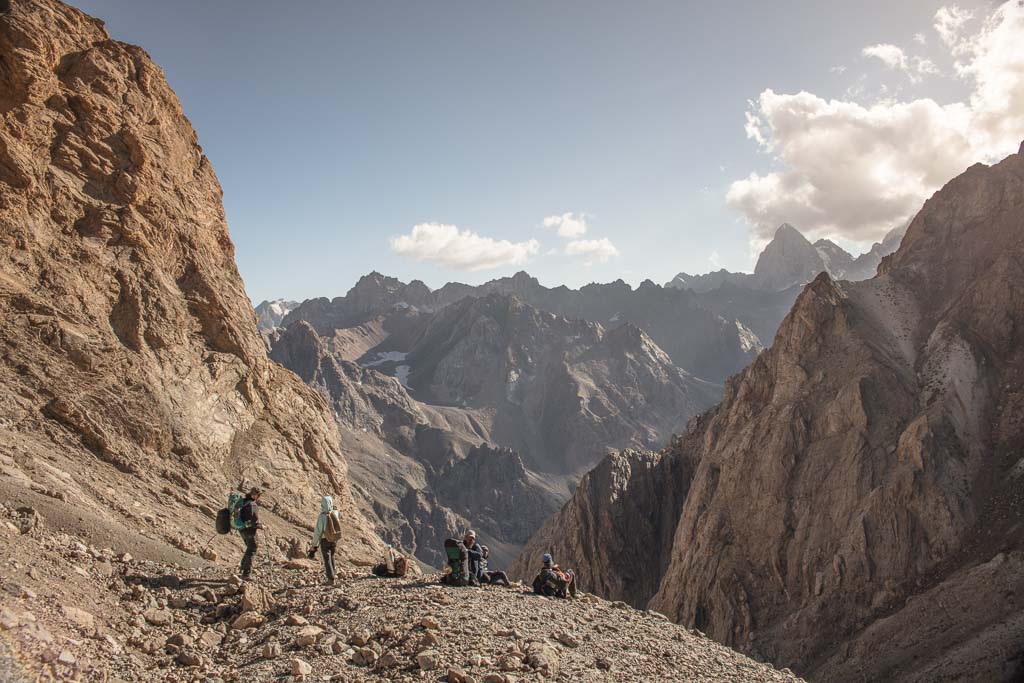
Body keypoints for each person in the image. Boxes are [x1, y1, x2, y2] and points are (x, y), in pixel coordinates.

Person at [306, 495, 337, 585]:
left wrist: (314, 545)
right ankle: (334, 575)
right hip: (334, 540)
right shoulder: (335, 513)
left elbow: (318, 532)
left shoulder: (322, 516)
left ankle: (331, 580)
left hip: (325, 540)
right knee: (332, 557)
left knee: (327, 559)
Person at [238, 488, 263, 580]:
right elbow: (254, 521)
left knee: (250, 547)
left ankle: (242, 568)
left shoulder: (244, 502)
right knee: (253, 548)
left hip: (242, 529)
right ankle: (246, 573)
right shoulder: (252, 505)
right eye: (259, 495)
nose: (259, 497)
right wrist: (262, 526)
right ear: (256, 495)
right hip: (249, 530)